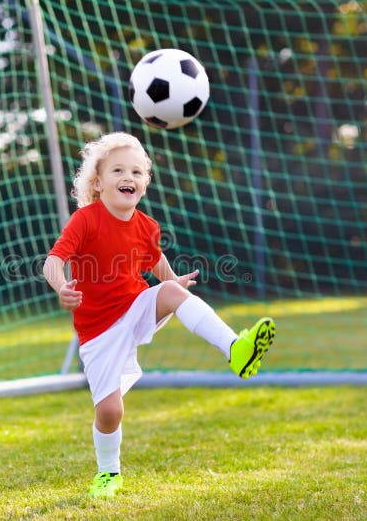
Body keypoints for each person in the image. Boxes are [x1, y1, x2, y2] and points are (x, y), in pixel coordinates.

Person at [43, 132, 275, 498]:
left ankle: (237, 349)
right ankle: (108, 473)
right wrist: (62, 288)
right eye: (118, 170)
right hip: (98, 330)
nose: (128, 177)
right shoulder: (85, 220)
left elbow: (155, 261)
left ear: (145, 182)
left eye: (136, 172)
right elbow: (53, 261)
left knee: (169, 292)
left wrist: (172, 283)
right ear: (98, 181)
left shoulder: (147, 226)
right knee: (110, 411)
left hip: (133, 308)